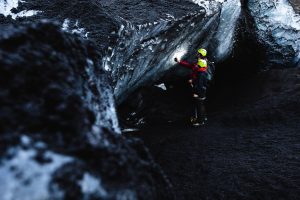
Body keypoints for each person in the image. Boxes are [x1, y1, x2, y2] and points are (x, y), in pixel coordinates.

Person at [175, 48, 211, 127]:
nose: (196, 53)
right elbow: (191, 66)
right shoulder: (202, 65)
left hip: (199, 88)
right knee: (200, 104)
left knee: (198, 104)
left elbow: (200, 84)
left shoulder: (201, 71)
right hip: (199, 86)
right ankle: (203, 117)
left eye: (198, 53)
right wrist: (179, 62)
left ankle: (200, 120)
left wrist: (196, 92)